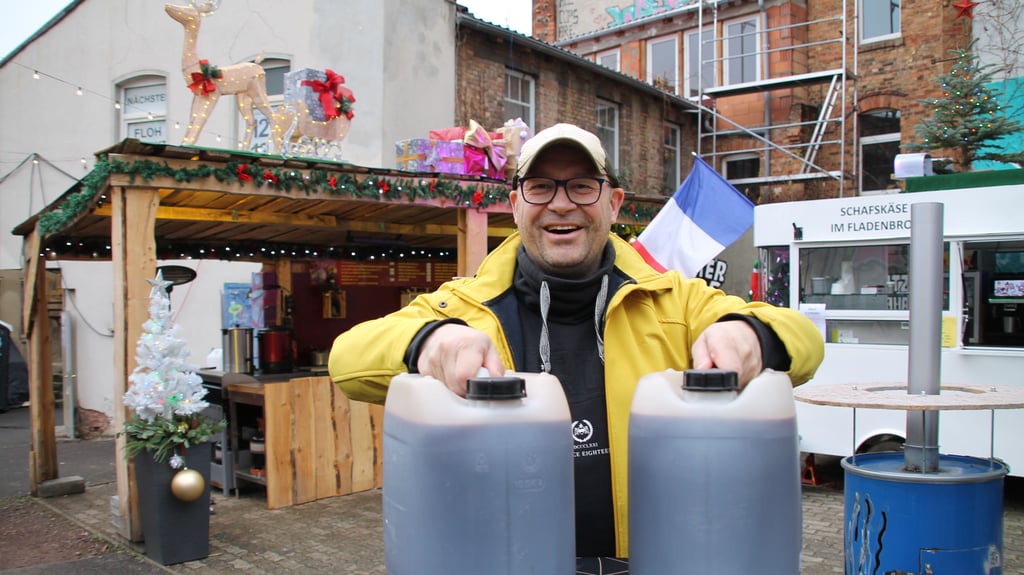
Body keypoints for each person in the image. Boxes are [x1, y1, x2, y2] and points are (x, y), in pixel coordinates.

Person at [329, 123, 824, 569]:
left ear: (613, 203)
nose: (561, 204)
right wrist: (429, 341)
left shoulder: (676, 301)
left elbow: (804, 341)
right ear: (516, 204)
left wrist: (748, 333)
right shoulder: (464, 307)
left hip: (653, 560)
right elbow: (348, 359)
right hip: (508, 561)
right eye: (540, 187)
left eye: (583, 186)